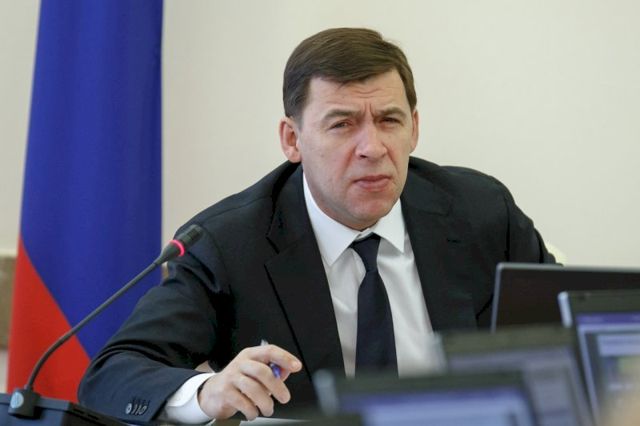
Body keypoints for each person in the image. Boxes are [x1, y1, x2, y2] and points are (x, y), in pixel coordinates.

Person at [78, 27, 555, 423]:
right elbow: (113, 374)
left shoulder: (480, 212)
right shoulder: (229, 244)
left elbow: (567, 338)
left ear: (414, 127)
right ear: (292, 139)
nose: (373, 148)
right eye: (342, 124)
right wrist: (207, 392)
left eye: (389, 120)